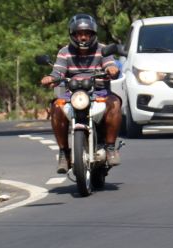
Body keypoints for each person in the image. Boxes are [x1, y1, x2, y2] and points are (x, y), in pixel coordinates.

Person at [40, 13, 122, 172]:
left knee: (115, 103)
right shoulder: (64, 52)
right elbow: (58, 72)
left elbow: (110, 65)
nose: (83, 37)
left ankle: (111, 148)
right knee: (56, 106)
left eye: (87, 33)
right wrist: (51, 78)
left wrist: (112, 69)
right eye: (79, 34)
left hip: (99, 92)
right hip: (72, 94)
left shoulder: (103, 49)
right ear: (73, 35)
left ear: (93, 34)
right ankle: (64, 153)